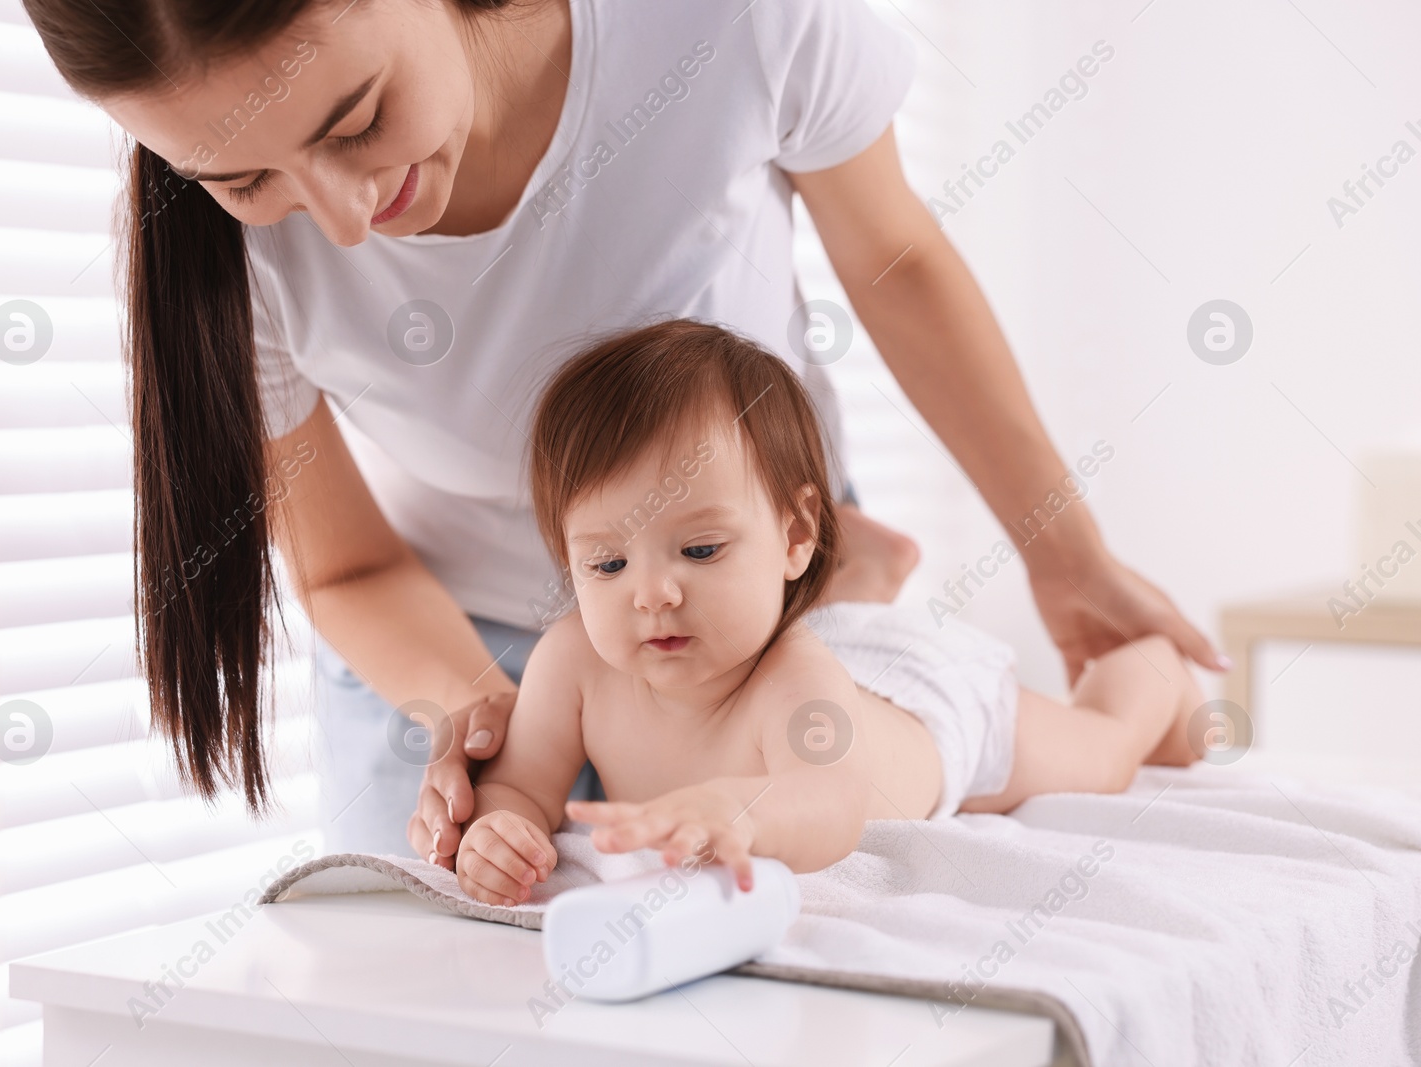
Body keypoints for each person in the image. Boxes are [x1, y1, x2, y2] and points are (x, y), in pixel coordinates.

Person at [20, 0, 1223, 865]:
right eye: (244, 181)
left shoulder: (716, 23)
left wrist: (1067, 558)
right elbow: (345, 564)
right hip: (446, 627)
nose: (337, 219)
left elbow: (895, 261)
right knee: (443, 960)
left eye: (356, 118)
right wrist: (473, 714)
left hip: (736, 580)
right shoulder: (208, 256)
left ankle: (838, 565)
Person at [457, 320, 1201, 904]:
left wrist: (742, 812)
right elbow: (520, 782)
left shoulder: (793, 678)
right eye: (607, 563)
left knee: (1104, 750)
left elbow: (831, 802)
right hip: (841, 638)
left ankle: (1153, 670)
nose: (651, 594)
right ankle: (863, 573)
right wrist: (502, 827)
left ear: (794, 533)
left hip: (925, 704)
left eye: (703, 549)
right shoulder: (573, 663)